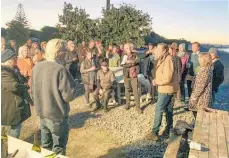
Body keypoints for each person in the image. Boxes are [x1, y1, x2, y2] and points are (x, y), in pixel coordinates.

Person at [30, 39, 77, 155]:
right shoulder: (60, 69)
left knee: (46, 147)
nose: (66, 53)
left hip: (42, 115)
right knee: (58, 150)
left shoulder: (36, 67)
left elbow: (32, 93)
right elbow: (69, 96)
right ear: (57, 52)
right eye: (64, 50)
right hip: (57, 118)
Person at [146, 43, 179, 141]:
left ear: (164, 51)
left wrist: (157, 81)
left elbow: (167, 78)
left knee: (159, 109)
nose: (156, 51)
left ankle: (154, 133)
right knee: (168, 110)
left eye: (158, 50)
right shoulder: (163, 58)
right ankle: (168, 130)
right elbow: (162, 73)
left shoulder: (168, 60)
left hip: (166, 89)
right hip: (166, 89)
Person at [1, 49, 31, 138]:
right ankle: (12, 146)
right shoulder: (3, 72)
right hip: (10, 105)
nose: (16, 60)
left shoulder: (12, 69)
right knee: (15, 127)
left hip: (11, 103)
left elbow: (19, 80)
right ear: (9, 60)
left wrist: (24, 79)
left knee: (14, 125)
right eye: (14, 59)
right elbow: (14, 86)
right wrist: (25, 86)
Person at [189, 54, 213, 118]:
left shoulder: (205, 70)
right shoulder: (207, 68)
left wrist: (194, 97)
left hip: (201, 99)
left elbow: (200, 86)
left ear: (204, 60)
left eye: (200, 58)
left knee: (199, 116)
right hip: (202, 97)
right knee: (200, 116)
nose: (198, 60)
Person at [122, 43, 142, 114]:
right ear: (124, 49)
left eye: (129, 48)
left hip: (134, 75)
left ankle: (138, 107)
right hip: (126, 75)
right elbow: (123, 64)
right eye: (126, 48)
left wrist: (131, 62)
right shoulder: (123, 55)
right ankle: (127, 104)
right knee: (127, 90)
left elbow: (139, 60)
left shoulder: (135, 54)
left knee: (135, 91)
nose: (128, 49)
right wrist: (132, 63)